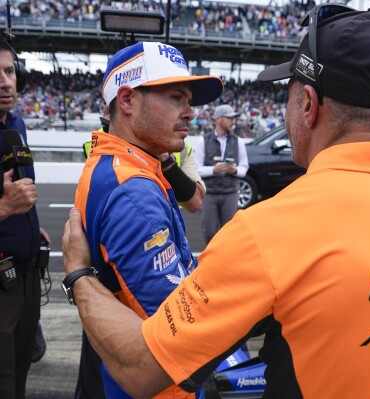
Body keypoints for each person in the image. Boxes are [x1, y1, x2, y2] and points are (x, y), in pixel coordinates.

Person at [62, 7, 370, 399]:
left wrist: (79, 273)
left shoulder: (266, 232)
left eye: (287, 94)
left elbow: (143, 370)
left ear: (307, 104)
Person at [70, 40, 223, 399]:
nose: (190, 112)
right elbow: (179, 326)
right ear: (126, 100)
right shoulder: (132, 191)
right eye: (176, 98)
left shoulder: (120, 165)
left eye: (189, 101)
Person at [0, 37, 51, 399]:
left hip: (26, 273)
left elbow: (18, 189)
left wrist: (30, 225)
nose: (4, 82)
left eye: (8, 71)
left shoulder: (16, 124)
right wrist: (4, 209)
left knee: (18, 376)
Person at [196, 103, 248, 244]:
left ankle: (227, 264)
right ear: (218, 119)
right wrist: (214, 170)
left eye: (234, 118)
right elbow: (196, 168)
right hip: (210, 193)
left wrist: (235, 170)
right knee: (209, 232)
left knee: (229, 233)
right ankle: (211, 263)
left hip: (230, 193)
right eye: (230, 118)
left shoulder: (239, 142)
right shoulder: (203, 140)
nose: (233, 121)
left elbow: (244, 167)